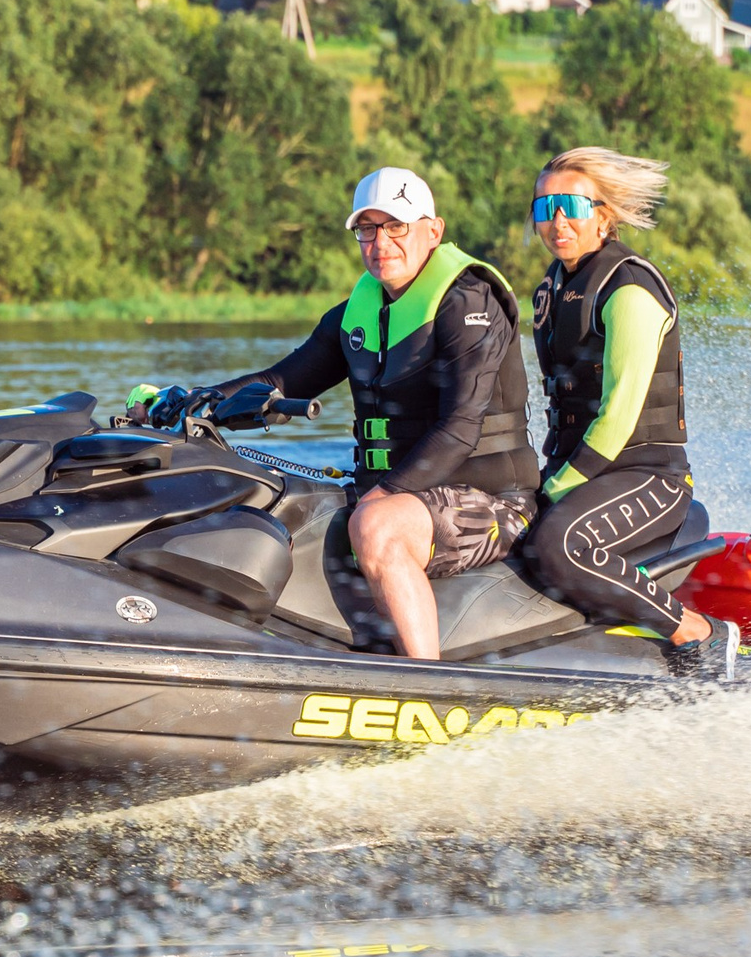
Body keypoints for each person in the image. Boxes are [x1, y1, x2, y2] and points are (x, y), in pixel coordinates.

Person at [143, 167, 538, 660]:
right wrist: (196, 402)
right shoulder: (356, 313)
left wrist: (381, 493)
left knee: (375, 526)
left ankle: (429, 684)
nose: (380, 242)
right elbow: (281, 381)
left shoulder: (469, 303)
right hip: (399, 493)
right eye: (366, 229)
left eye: (396, 226)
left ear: (433, 231)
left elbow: (460, 428)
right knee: (269, 502)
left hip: (495, 502)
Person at [525, 147, 734, 678]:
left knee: (559, 544)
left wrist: (555, 486)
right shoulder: (553, 290)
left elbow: (619, 415)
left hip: (647, 475)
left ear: (604, 214)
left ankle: (696, 632)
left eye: (570, 204)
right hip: (580, 471)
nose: (557, 220)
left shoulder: (629, 286)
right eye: (544, 208)